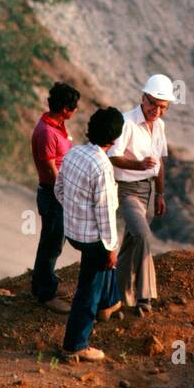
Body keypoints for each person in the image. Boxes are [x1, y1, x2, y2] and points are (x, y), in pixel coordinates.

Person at [55, 107, 125, 362]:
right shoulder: (102, 167)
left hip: (73, 231)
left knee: (100, 271)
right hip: (92, 238)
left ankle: (108, 303)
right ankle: (75, 345)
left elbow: (59, 188)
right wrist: (111, 248)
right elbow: (106, 214)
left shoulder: (74, 153)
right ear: (115, 139)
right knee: (87, 289)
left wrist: (75, 213)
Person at [108, 73, 173, 315]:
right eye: (153, 104)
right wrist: (138, 166)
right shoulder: (126, 123)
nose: (157, 110)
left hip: (147, 190)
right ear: (143, 98)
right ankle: (145, 297)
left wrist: (160, 193)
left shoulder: (160, 126)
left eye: (162, 107)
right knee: (144, 235)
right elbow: (112, 156)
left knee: (131, 242)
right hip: (127, 190)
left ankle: (120, 295)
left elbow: (160, 161)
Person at [30, 82, 80, 313]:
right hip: (53, 194)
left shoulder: (57, 126)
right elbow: (51, 169)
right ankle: (46, 294)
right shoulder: (46, 132)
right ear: (64, 110)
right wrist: (67, 193)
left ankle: (41, 284)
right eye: (73, 107)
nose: (76, 111)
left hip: (57, 192)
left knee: (51, 241)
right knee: (52, 243)